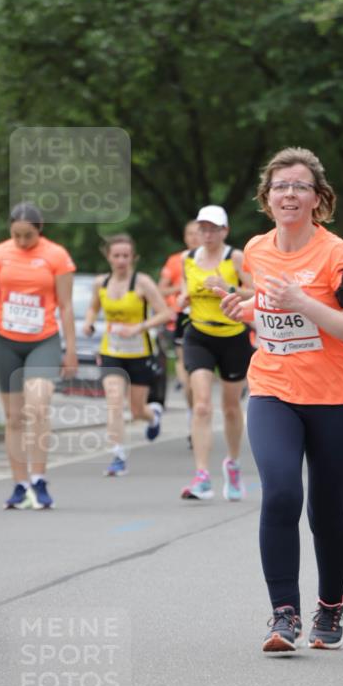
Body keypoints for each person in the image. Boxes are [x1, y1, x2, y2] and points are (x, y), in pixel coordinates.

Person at [221, 147, 343, 655]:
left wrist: (304, 302)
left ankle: (330, 606)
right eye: (280, 186)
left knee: (327, 513)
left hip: (334, 400)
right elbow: (270, 310)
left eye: (300, 186)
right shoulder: (257, 250)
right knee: (282, 493)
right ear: (267, 198)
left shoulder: (338, 256)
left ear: (317, 198)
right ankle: (283, 613)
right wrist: (245, 308)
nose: (289, 193)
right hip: (272, 390)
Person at [0, 203, 77, 509]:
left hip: (43, 340)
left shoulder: (56, 255)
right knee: (14, 417)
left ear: (40, 229)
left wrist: (71, 349)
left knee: (37, 407)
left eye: (28, 236)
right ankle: (20, 485)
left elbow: (65, 306)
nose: (22, 242)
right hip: (6, 340)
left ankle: (39, 479)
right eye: (17, 235)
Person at [179, 205, 254, 501]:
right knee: (201, 405)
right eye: (203, 228)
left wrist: (229, 287)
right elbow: (184, 291)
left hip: (233, 336)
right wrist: (183, 297)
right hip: (198, 334)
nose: (207, 234)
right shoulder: (187, 259)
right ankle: (201, 476)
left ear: (225, 231)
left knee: (231, 407)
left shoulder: (234, 257)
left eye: (213, 228)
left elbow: (258, 289)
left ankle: (233, 464)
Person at [83, 234, 170, 477]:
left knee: (137, 410)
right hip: (111, 350)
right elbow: (93, 307)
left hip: (139, 352)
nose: (121, 260)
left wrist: (139, 327)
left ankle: (153, 416)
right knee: (113, 401)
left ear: (133, 258)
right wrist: (89, 323)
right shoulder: (101, 283)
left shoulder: (142, 283)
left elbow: (165, 313)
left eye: (125, 256)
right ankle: (118, 455)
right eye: (116, 256)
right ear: (108, 257)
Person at [158, 219, 202, 440]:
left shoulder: (216, 259)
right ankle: (192, 416)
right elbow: (161, 289)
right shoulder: (177, 260)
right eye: (190, 234)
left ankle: (198, 415)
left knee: (197, 379)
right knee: (187, 380)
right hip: (181, 320)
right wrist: (184, 289)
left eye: (198, 233)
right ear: (185, 237)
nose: (194, 237)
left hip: (208, 321)